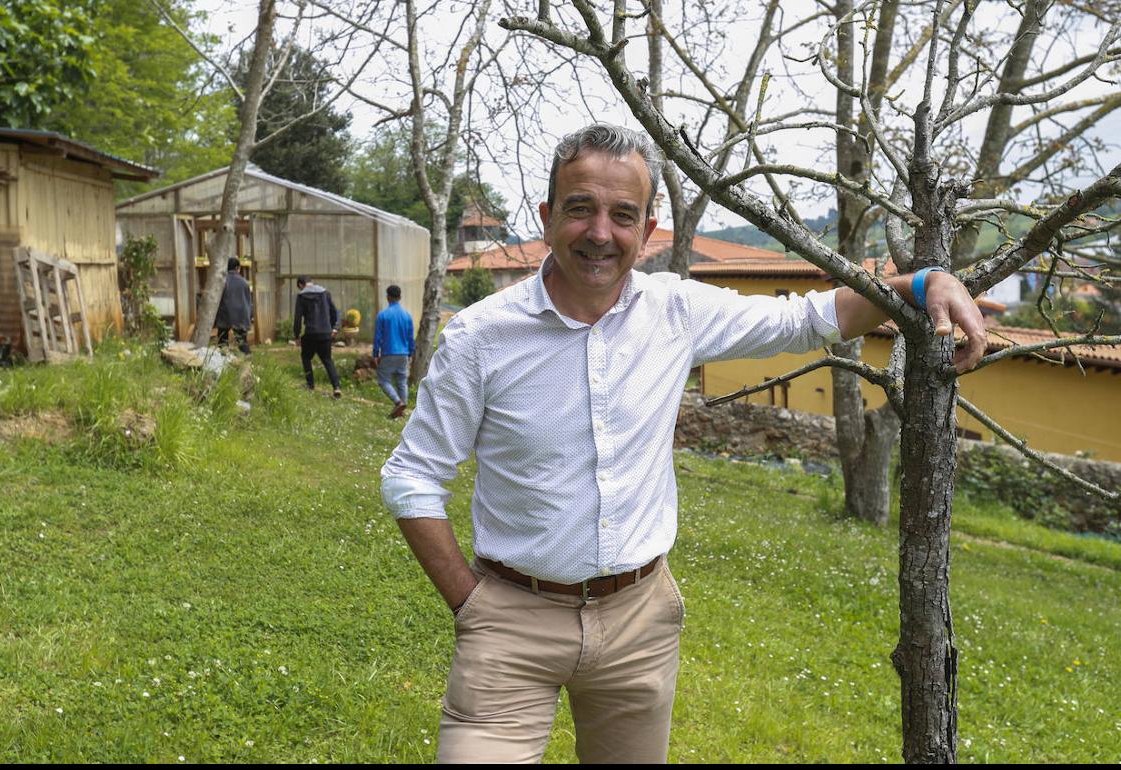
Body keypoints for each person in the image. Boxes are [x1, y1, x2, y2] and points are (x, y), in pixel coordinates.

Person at [379, 124, 987, 763]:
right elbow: (412, 476)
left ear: (647, 230)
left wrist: (921, 285)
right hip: (509, 620)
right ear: (546, 217)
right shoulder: (481, 338)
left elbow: (805, 317)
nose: (600, 233)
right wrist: (472, 604)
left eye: (623, 215)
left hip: (639, 622)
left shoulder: (675, 311)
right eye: (580, 208)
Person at [293, 275, 342, 398]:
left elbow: (298, 317)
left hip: (310, 333)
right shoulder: (325, 293)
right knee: (327, 360)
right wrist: (334, 327)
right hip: (325, 333)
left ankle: (310, 385)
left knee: (306, 357)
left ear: (300, 285)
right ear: (311, 282)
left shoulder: (301, 296)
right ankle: (336, 387)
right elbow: (334, 312)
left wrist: (297, 334)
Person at [373, 285, 415, 419]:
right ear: (400, 297)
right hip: (403, 353)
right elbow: (410, 337)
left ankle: (398, 402)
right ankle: (402, 410)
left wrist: (375, 354)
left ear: (388, 297)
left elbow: (378, 337)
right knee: (402, 382)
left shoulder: (383, 315)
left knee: (383, 380)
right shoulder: (407, 315)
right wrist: (410, 353)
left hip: (389, 352)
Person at [215, 257, 252, 354]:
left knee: (222, 340)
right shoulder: (245, 283)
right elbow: (248, 302)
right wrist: (250, 316)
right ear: (237, 268)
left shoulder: (223, 282)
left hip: (225, 315)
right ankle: (248, 359)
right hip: (241, 316)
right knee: (242, 341)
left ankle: (223, 360)